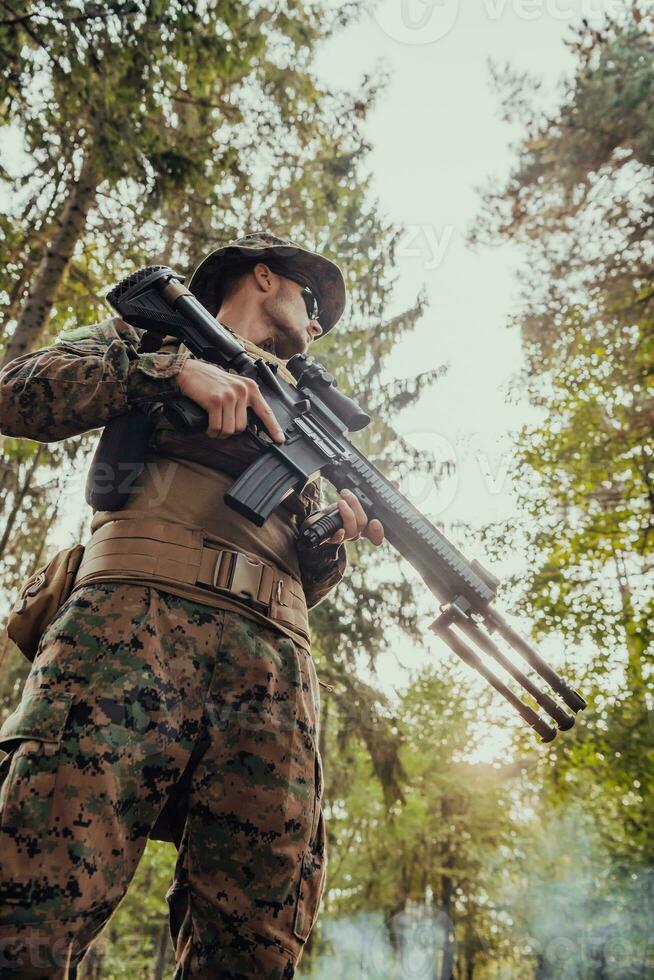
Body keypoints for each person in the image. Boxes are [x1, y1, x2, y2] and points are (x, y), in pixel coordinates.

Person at [0, 232, 384, 979]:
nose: (320, 320)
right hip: (130, 627)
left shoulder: (310, 421)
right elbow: (15, 390)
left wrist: (328, 536)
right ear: (263, 278)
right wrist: (170, 372)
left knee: (256, 939)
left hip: (273, 672)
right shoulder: (155, 335)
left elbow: (303, 572)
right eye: (313, 300)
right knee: (32, 900)